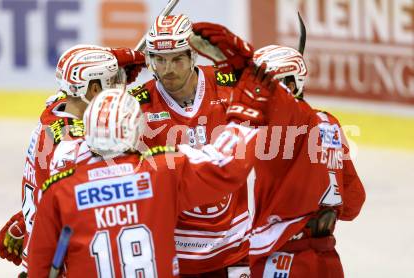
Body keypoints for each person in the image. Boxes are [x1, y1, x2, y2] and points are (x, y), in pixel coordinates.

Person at [27, 88, 259, 277]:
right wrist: (249, 111)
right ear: (136, 128)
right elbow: (227, 167)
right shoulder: (163, 172)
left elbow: (39, 268)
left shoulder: (59, 191)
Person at [0, 45, 145, 275]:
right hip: (60, 264)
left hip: (39, 249)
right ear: (94, 88)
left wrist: (24, 220)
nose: (121, 90)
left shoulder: (54, 110)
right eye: (114, 82)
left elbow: (49, 195)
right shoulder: (76, 147)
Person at [128, 14, 254, 276]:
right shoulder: (136, 106)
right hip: (175, 251)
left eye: (177, 59)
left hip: (233, 245)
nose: (168, 69)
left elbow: (275, 99)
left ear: (193, 56)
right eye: (159, 60)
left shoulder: (228, 87)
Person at [249, 44, 366, 277]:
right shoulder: (329, 123)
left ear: (290, 86)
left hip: (281, 258)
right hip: (327, 260)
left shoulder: (274, 130)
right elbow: (354, 201)